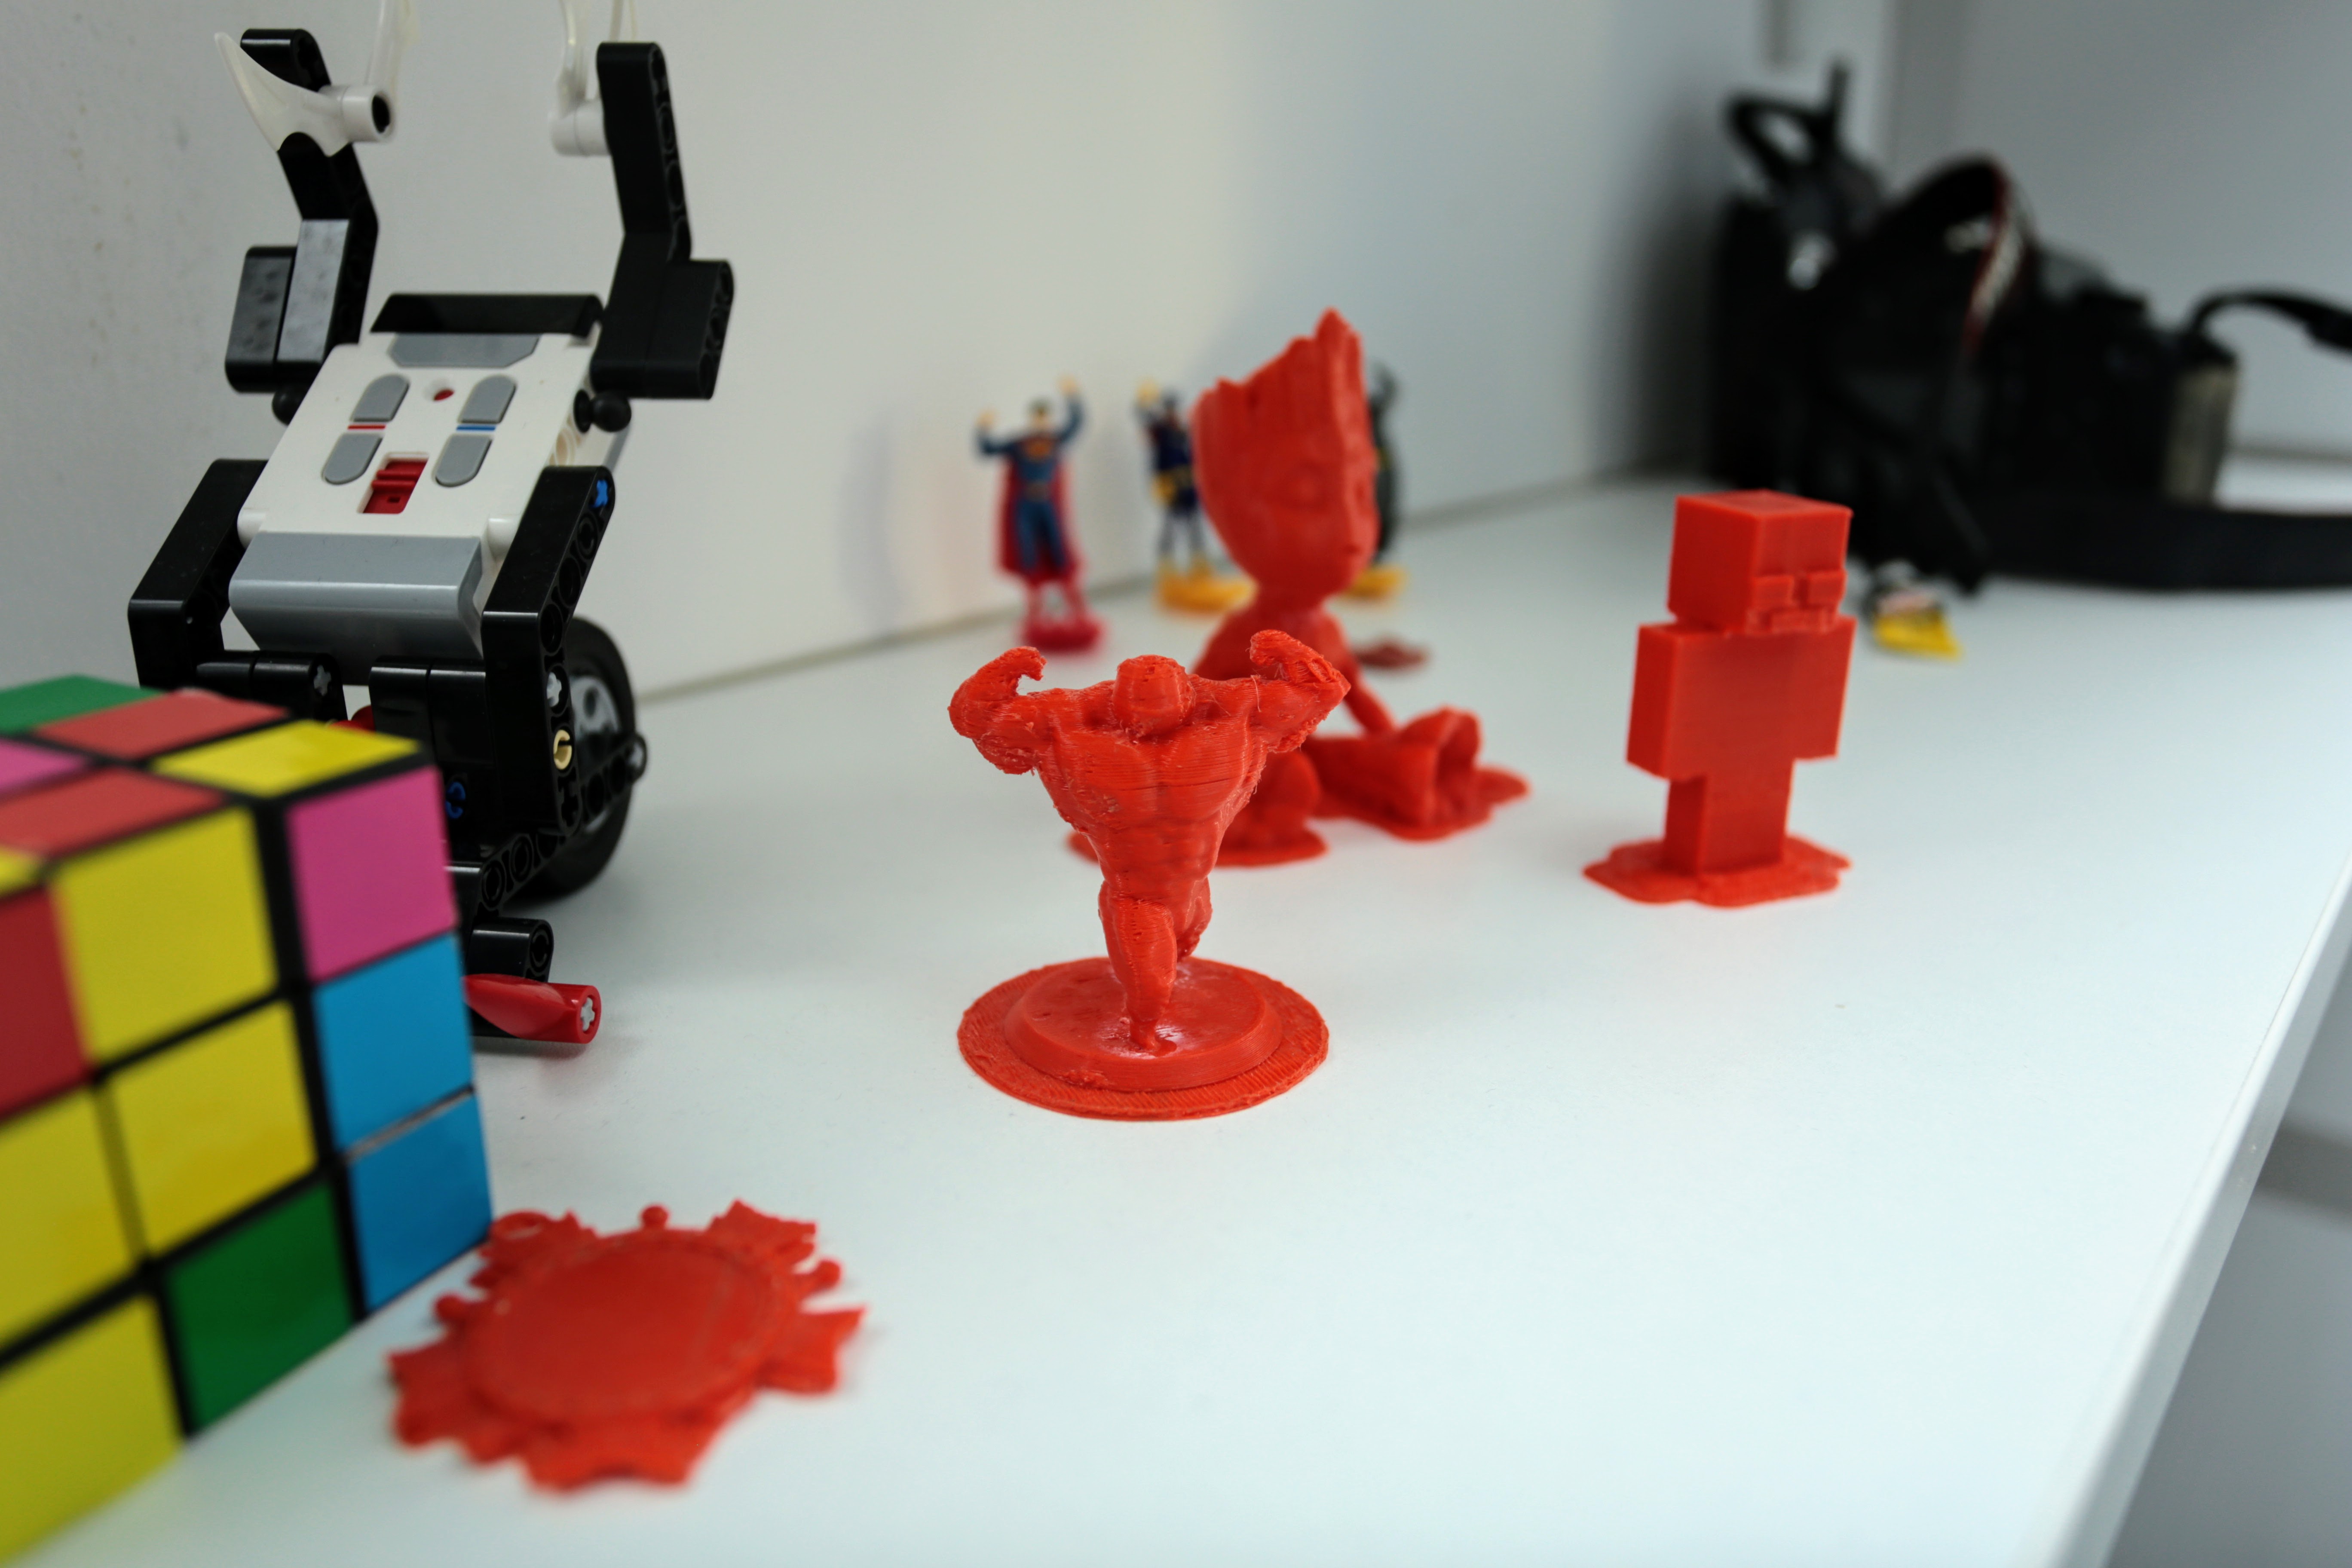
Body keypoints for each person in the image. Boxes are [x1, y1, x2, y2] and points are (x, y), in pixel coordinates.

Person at [949, 632, 1344, 1046]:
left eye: (1160, 706)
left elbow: (1323, 691)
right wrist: (1005, 668)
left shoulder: (1234, 713)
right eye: (1137, 708)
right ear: (1117, 700)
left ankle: (1155, 1030)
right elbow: (978, 717)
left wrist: (1285, 648)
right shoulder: (1068, 724)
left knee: (1183, 953)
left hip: (1195, 888)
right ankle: (1144, 1040)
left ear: (1186, 698)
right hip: (1136, 897)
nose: (1147, 722)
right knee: (1151, 991)